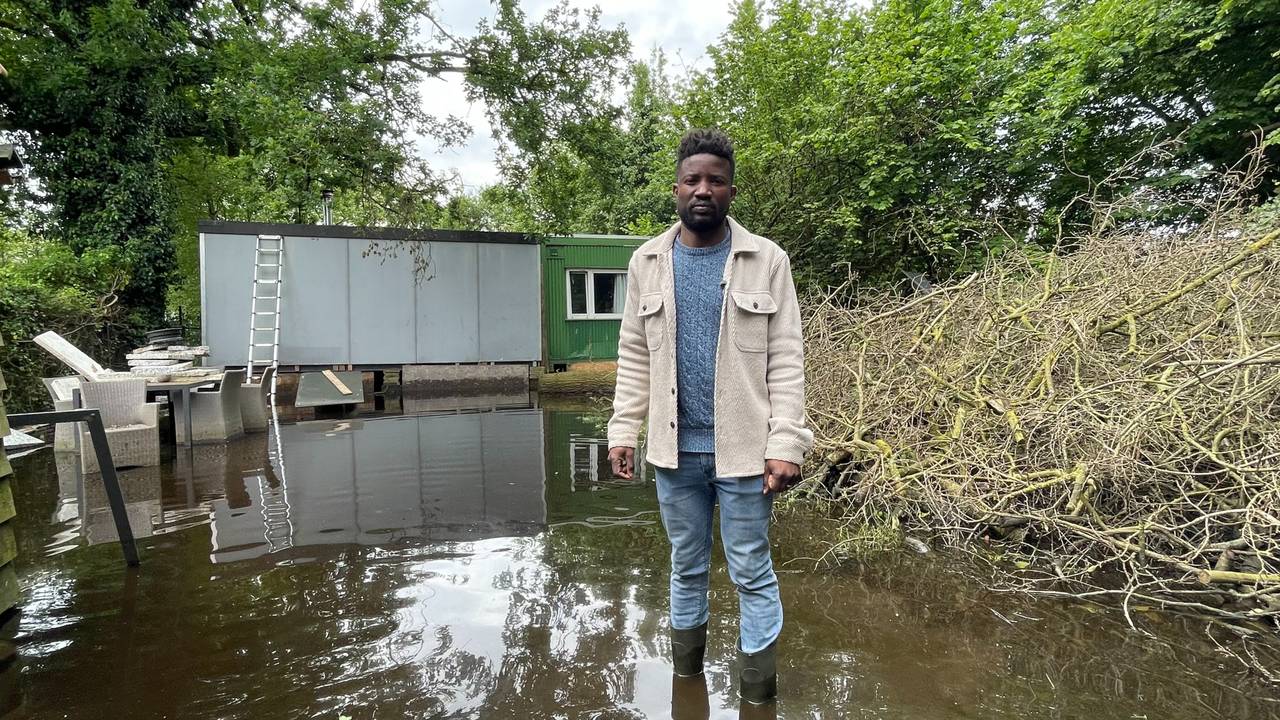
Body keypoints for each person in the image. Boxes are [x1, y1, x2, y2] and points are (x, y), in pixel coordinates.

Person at [607, 128, 813, 704]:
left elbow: (787, 358)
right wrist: (624, 430)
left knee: (752, 571)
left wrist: (786, 443)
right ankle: (686, 682)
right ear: (676, 188)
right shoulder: (646, 261)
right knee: (686, 566)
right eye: (693, 180)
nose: (704, 190)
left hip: (747, 451)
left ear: (730, 190)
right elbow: (632, 353)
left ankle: (757, 692)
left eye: (715, 181)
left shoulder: (767, 260)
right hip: (675, 454)